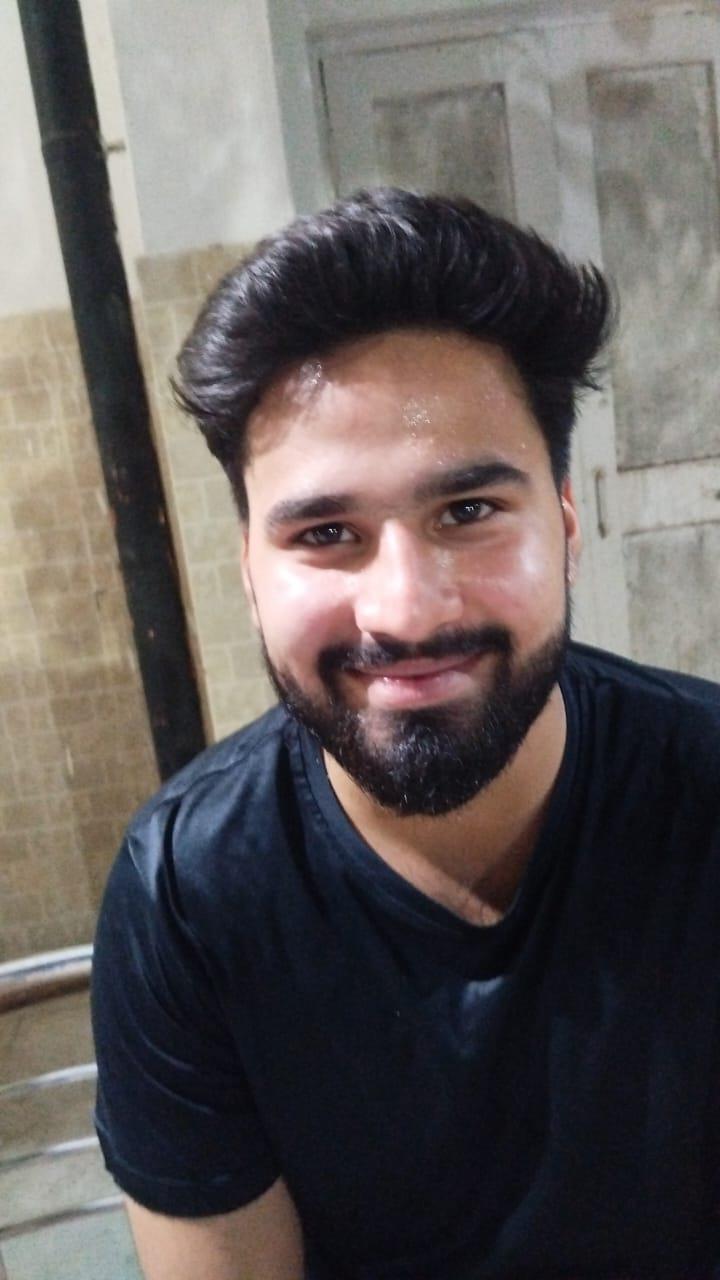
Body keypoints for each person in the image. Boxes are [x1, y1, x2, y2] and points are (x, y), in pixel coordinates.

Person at [91, 188, 720, 1280]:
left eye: (468, 512)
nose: (407, 611)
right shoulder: (189, 896)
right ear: (250, 573)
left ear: (565, 525)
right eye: (326, 532)